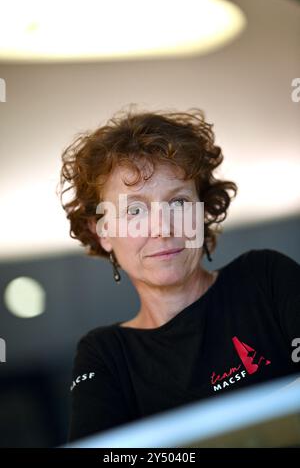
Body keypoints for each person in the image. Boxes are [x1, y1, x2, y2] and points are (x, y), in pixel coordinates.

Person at [59, 106, 300, 443]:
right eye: (135, 210)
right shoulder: (106, 356)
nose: (162, 229)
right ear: (103, 232)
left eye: (178, 203)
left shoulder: (264, 279)